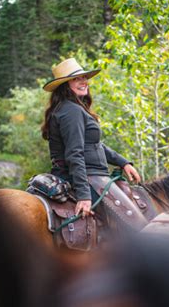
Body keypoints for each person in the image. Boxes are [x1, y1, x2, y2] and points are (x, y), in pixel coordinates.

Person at [41, 58, 141, 219]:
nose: (84, 81)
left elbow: (95, 144)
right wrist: (83, 195)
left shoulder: (72, 108)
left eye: (84, 77)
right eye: (76, 78)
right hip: (86, 178)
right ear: (65, 85)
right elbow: (75, 154)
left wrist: (123, 163)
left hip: (94, 177)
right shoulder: (71, 111)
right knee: (134, 223)